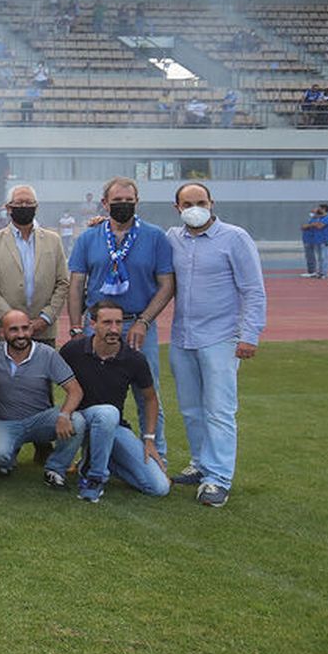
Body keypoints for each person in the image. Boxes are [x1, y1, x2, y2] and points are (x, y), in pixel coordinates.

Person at [167, 183, 267, 508]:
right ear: (177, 207)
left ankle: (218, 478)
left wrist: (250, 335)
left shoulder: (235, 238)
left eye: (200, 202)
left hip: (221, 338)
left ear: (211, 203)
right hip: (183, 337)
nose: (195, 207)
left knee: (220, 410)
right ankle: (200, 463)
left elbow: (253, 289)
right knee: (191, 409)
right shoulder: (172, 239)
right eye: (188, 203)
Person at [66, 176, 175, 463]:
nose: (123, 206)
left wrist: (145, 321)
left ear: (137, 202)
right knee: (93, 393)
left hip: (138, 324)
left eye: (129, 201)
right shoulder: (89, 237)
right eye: (117, 202)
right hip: (97, 326)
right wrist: (77, 327)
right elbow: (76, 284)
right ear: (105, 203)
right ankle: (90, 456)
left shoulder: (155, 237)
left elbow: (166, 285)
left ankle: (156, 454)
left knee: (147, 392)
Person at [60, 301, 171, 502]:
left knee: (159, 487)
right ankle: (94, 478)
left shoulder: (134, 359)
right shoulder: (72, 351)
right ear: (92, 324)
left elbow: (150, 399)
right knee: (107, 412)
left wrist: (149, 439)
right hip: (79, 422)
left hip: (113, 426)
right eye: (107, 323)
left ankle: (102, 460)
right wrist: (62, 415)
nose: (114, 329)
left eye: (118, 323)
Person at [0, 310, 87, 487]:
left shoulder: (47, 354)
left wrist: (64, 415)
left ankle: (55, 469)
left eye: (25, 328)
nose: (21, 334)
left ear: (31, 329)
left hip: (40, 420)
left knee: (77, 421)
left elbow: (75, 390)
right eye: (14, 330)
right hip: (5, 421)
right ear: (2, 333)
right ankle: (8, 457)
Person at [0, 185, 69, 342]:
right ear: (8, 207)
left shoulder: (53, 240)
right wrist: (11, 319)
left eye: (28, 203)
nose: (24, 207)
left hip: (44, 330)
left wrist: (46, 317)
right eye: (19, 203)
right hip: (4, 330)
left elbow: (62, 282)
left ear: (36, 207)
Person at [300, 203, 328, 279]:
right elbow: (304, 226)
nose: (317, 209)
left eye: (319, 208)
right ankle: (317, 272)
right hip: (318, 240)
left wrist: (313, 224)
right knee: (319, 257)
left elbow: (319, 226)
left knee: (324, 257)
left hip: (325, 240)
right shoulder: (317, 218)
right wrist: (313, 224)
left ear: (324, 209)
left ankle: (323, 273)